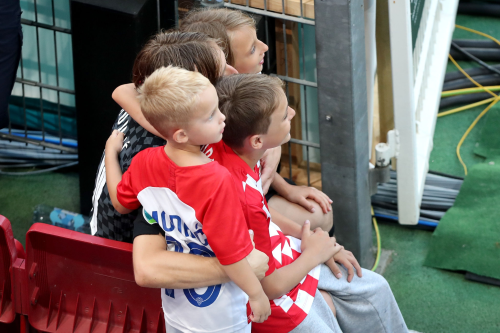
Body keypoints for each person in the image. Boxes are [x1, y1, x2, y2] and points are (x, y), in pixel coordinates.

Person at [203, 74, 408, 333]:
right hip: (274, 300)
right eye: (282, 115)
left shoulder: (227, 147)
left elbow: (264, 217)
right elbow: (270, 286)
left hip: (285, 255)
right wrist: (314, 254)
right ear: (256, 141)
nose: (292, 112)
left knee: (375, 287)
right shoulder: (242, 199)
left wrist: (311, 239)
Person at [113, 8, 334, 233]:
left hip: (236, 197)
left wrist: (283, 183)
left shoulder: (193, 111)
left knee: (319, 214)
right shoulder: (198, 131)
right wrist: (307, 241)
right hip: (169, 232)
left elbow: (123, 91)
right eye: (251, 48)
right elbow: (240, 208)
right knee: (318, 218)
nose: (265, 47)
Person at [104, 66, 271, 332]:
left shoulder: (144, 163)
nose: (222, 118)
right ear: (181, 134)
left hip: (176, 310)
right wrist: (256, 294)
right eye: (210, 116)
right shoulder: (217, 180)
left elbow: (120, 202)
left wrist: (110, 154)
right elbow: (232, 255)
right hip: (223, 317)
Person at [90, 31, 235, 242]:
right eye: (221, 74)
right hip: (120, 249)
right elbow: (122, 206)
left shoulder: (151, 97)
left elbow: (123, 90)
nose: (234, 72)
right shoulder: (157, 153)